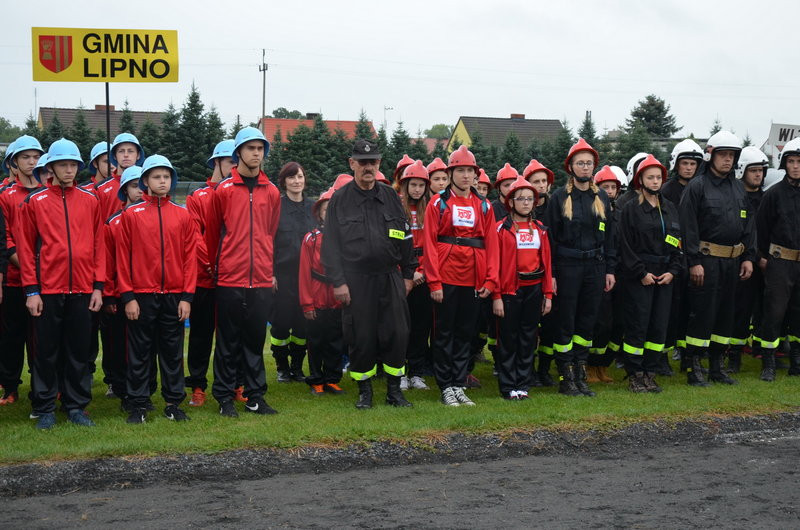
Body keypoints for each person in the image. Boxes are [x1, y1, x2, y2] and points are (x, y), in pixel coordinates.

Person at [321, 139, 417, 409]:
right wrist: (338, 282)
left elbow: (405, 238)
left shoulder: (390, 197)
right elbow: (330, 246)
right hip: (355, 279)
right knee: (361, 336)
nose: (368, 167)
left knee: (396, 333)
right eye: (363, 162)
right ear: (352, 164)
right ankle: (365, 392)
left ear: (379, 164)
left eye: (373, 162)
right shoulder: (340, 199)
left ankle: (394, 391)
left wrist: (408, 275)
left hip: (390, 277)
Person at [17, 138, 104, 429]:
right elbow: (26, 250)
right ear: (51, 167)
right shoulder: (34, 202)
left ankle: (76, 406)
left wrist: (97, 287)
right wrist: (32, 290)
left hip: (82, 289)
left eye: (72, 164)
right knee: (46, 352)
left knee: (78, 351)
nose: (68, 169)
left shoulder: (91, 200)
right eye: (62, 164)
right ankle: (44, 408)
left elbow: (98, 245)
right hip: (48, 290)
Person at [205, 127, 281, 417]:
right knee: (227, 341)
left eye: (260, 148)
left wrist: (264, 265)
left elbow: (269, 232)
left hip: (260, 278)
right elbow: (213, 233)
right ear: (238, 153)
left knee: (254, 339)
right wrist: (218, 266)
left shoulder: (272, 191)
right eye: (250, 148)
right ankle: (224, 397)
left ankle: (255, 396)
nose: (256, 153)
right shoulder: (223, 191)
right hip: (229, 277)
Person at [117, 155, 196, 423]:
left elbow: (189, 259)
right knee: (140, 353)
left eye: (166, 177)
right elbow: (122, 259)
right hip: (141, 296)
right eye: (156, 177)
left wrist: (187, 297)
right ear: (145, 182)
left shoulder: (183, 215)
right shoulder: (131, 215)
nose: (162, 181)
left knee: (172, 353)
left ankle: (173, 402)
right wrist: (128, 296)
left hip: (174, 297)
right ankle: (138, 403)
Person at [422, 145, 499, 406]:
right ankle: (445, 386)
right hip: (445, 277)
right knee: (444, 333)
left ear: (476, 175)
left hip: (473, 279)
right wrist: (434, 281)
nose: (466, 176)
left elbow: (492, 244)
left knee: (465, 334)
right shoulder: (437, 203)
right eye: (460, 170)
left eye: (470, 171)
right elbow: (430, 244)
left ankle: (458, 382)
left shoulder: (484, 205)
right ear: (451, 172)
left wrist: (490, 280)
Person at [679, 130, 755, 386]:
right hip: (706, 260)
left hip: (733, 262)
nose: (727, 160)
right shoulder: (697, 186)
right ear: (711, 156)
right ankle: (694, 367)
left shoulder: (738, 188)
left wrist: (748, 256)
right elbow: (688, 226)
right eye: (723, 155)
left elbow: (748, 225)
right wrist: (694, 261)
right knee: (703, 314)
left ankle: (716, 367)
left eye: (732, 156)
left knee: (725, 315)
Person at [542, 138, 616, 397]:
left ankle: (581, 372)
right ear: (570, 167)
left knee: (587, 322)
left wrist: (609, 270)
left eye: (589, 163)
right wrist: (550, 274)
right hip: (567, 267)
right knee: (566, 321)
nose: (585, 167)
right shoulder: (559, 198)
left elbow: (610, 238)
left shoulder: (602, 198)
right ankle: (565, 375)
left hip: (595, 267)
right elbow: (548, 240)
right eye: (580, 163)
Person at [618, 155, 684, 392]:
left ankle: (650, 372)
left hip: (665, 275)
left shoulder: (670, 209)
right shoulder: (630, 210)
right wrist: (640, 273)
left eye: (658, 177)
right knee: (638, 325)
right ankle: (634, 373)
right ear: (640, 180)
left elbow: (677, 242)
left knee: (658, 326)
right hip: (640, 276)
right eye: (650, 177)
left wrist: (673, 271)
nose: (655, 182)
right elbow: (624, 246)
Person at [493, 177, 553, 399]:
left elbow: (547, 263)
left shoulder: (540, 229)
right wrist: (496, 296)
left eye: (530, 199)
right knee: (508, 339)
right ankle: (508, 386)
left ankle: (523, 384)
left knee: (528, 338)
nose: (526, 203)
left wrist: (548, 294)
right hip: (510, 291)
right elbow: (495, 265)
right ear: (511, 202)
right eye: (521, 199)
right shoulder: (500, 229)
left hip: (534, 289)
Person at [185, 139, 234, 407]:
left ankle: (234, 384)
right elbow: (195, 237)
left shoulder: (237, 192)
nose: (235, 167)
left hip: (232, 278)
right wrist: (211, 266)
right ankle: (197, 387)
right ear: (216, 162)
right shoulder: (198, 197)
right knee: (201, 335)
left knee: (230, 335)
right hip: (205, 279)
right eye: (230, 162)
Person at [0, 135, 44, 406]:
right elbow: (5, 239)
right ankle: (10, 387)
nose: (31, 162)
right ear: (13, 162)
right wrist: (28, 267)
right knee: (11, 337)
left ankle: (43, 387)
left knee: (42, 340)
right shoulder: (5, 196)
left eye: (35, 157)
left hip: (46, 281)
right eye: (25, 157)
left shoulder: (47, 193)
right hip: (16, 281)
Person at [752, 138, 800, 381]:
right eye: (791, 161)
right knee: (774, 312)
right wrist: (763, 258)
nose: (795, 166)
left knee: (798, 313)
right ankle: (768, 363)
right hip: (779, 262)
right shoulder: (773, 195)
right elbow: (761, 229)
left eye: (799, 162)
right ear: (784, 164)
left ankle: (797, 361)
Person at [101, 166, 144, 408]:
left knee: (141, 345)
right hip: (118, 296)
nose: (139, 191)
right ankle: (118, 385)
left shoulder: (150, 218)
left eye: (142, 185)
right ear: (125, 189)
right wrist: (108, 295)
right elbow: (107, 262)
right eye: (134, 185)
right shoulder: (113, 222)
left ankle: (140, 387)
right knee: (116, 343)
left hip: (144, 294)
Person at [299, 185, 346, 395]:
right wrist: (307, 303)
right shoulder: (311, 238)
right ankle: (316, 379)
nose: (330, 214)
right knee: (316, 341)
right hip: (317, 296)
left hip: (337, 296)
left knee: (335, 340)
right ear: (319, 213)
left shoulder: (345, 238)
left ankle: (332, 379)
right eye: (327, 210)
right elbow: (304, 273)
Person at [271, 162, 314, 383]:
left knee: (302, 325)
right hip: (283, 275)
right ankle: (282, 367)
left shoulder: (313, 207)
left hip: (307, 278)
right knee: (281, 323)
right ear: (284, 181)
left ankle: (297, 368)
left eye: (300, 176)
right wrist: (271, 272)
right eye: (292, 177)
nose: (297, 181)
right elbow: (268, 241)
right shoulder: (276, 207)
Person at [728, 146, 768, 372]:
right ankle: (734, 355)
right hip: (743, 261)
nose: (758, 175)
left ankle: (764, 351)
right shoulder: (736, 196)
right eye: (753, 170)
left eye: (761, 170)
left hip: (770, 263)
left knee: (765, 309)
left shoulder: (767, 197)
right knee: (740, 310)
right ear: (742, 171)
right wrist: (753, 257)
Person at [586, 165, 625, 383]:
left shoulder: (622, 214)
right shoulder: (593, 212)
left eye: (613, 187)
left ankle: (604, 365)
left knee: (618, 324)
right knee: (600, 323)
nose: (609, 191)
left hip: (621, 273)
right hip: (600, 272)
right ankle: (591, 365)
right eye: (605, 186)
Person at [397, 160, 433, 391]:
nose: (417, 189)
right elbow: (393, 246)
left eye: (421, 185)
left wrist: (424, 272)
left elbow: (434, 245)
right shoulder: (396, 209)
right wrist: (408, 273)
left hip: (424, 277)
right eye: (413, 184)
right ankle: (399, 372)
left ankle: (417, 373)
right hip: (403, 276)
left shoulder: (430, 209)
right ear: (405, 185)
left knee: (421, 327)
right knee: (401, 327)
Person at [95, 133, 145, 222]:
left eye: (130, 151)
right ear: (114, 155)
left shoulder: (148, 184)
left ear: (138, 155)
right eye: (121, 151)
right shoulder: (100, 188)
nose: (126, 155)